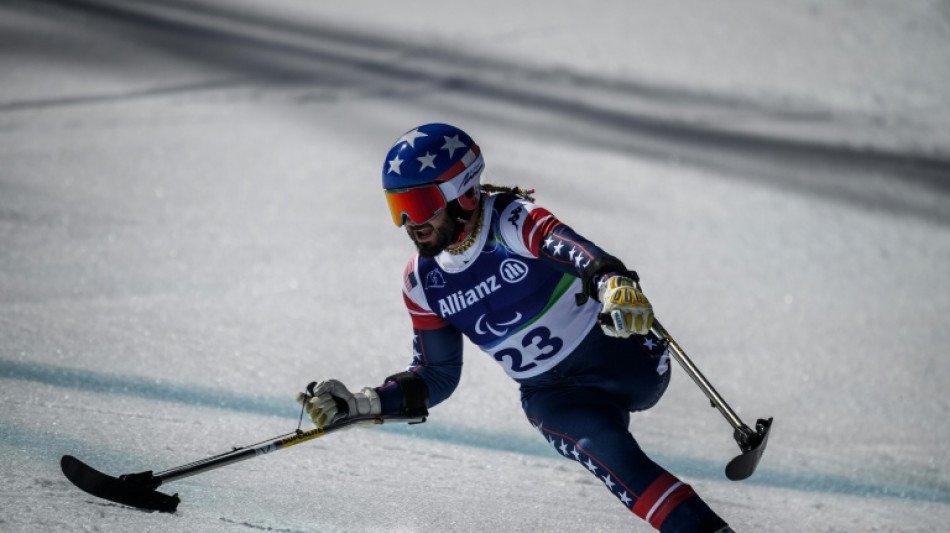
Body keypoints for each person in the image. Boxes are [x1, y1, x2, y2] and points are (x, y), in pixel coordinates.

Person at [300, 123, 734, 532]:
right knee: (605, 450)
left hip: (621, 359)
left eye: (418, 206)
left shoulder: (509, 221)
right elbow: (436, 374)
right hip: (553, 395)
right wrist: (363, 403)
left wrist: (612, 281)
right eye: (397, 209)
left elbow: (571, 248)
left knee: (610, 420)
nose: (410, 224)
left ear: (463, 194)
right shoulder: (421, 282)